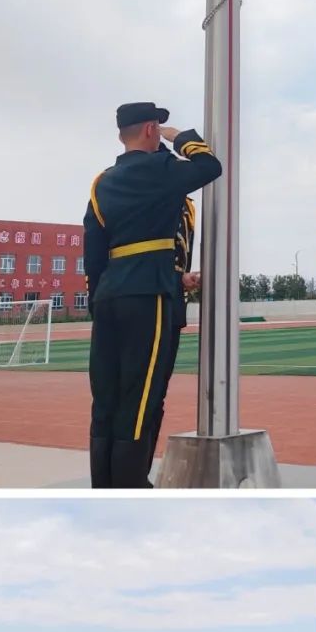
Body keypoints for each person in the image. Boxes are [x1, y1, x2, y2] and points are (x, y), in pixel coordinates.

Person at [84, 102, 222, 489]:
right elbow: (210, 166)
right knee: (142, 395)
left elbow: (94, 250)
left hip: (110, 297)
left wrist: (101, 298)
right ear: (149, 130)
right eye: (157, 127)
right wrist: (180, 137)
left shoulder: (102, 181)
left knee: (107, 398)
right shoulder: (161, 169)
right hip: (149, 298)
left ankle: (106, 484)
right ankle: (130, 484)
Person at [140, 194, 200, 478]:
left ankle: (139, 475)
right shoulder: (144, 191)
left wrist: (180, 279)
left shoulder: (186, 205)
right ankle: (129, 479)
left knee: (155, 397)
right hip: (140, 300)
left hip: (171, 302)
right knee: (136, 397)